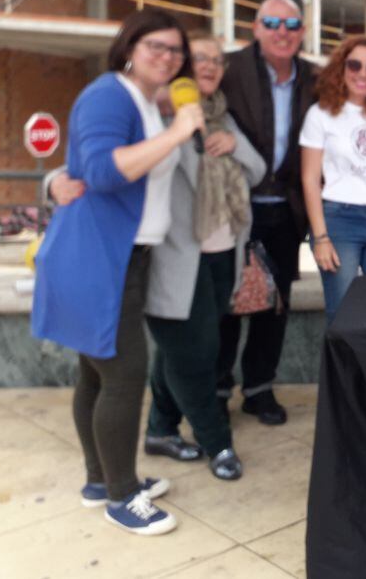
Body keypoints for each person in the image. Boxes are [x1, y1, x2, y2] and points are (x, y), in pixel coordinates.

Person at [31, 8, 204, 535]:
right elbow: (104, 173)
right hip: (100, 258)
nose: (167, 58)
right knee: (125, 375)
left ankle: (98, 480)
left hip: (123, 255)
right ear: (129, 47)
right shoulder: (111, 94)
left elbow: (83, 165)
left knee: (96, 372)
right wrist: (178, 133)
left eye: (176, 51)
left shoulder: (145, 102)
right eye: (156, 46)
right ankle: (123, 497)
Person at [139, 33, 265, 481]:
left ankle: (160, 429)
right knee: (197, 354)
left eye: (216, 60)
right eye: (200, 59)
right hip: (175, 258)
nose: (209, 66)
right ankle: (218, 443)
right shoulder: (159, 114)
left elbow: (257, 169)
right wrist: (178, 128)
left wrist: (230, 145)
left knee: (177, 351)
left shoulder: (221, 115)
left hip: (220, 255)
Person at [217, 0, 317, 426]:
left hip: (285, 212)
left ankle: (259, 389)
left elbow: (354, 106)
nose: (282, 31)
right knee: (226, 302)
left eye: (291, 24)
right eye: (272, 22)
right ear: (256, 27)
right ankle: (216, 389)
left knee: (274, 304)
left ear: (301, 32)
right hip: (232, 208)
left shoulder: (315, 78)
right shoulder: (228, 68)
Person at [300, 37, 366, 325]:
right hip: (339, 223)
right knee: (343, 315)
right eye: (355, 64)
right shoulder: (321, 114)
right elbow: (310, 178)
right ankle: (344, 372)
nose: (363, 73)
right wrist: (320, 237)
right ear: (341, 67)